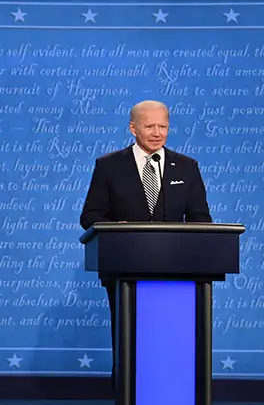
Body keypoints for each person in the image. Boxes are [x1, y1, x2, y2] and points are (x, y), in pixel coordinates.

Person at [79, 99, 212, 389]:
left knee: (171, 343)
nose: (157, 132)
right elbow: (90, 216)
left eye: (162, 126)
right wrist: (120, 231)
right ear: (133, 128)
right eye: (149, 126)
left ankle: (174, 395)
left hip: (178, 275)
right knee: (132, 341)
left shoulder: (187, 167)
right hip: (125, 272)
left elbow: (201, 219)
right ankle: (128, 402)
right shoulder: (109, 166)